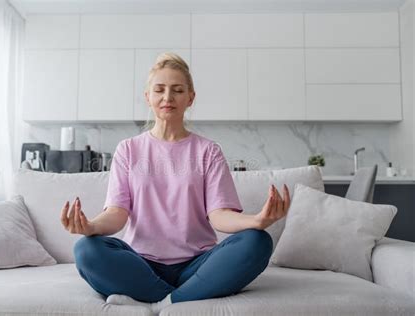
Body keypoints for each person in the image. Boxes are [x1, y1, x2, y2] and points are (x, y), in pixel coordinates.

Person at [60, 53, 291, 315]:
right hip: (141, 264)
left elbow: (219, 216)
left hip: (197, 264)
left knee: (257, 242)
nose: (167, 98)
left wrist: (256, 221)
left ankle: (159, 301)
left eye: (177, 90)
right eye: (159, 90)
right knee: (87, 249)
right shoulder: (128, 150)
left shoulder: (208, 151)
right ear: (148, 96)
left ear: (190, 98)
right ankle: (190, 294)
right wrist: (90, 226)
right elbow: (116, 215)